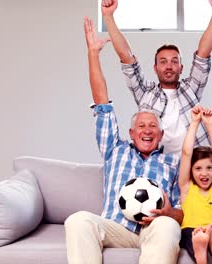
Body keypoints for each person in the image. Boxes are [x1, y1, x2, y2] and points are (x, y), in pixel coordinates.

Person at [65, 17, 183, 264]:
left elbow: (182, 213)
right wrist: (93, 54)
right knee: (78, 220)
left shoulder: (173, 162)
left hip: (153, 230)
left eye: (153, 126)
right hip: (115, 228)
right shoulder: (114, 150)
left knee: (168, 227)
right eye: (141, 126)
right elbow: (101, 102)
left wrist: (169, 212)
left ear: (161, 136)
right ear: (131, 133)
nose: (147, 130)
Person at [101, 0, 212, 155]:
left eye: (174, 61)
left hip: (193, 167)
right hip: (158, 166)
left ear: (181, 68)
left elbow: (203, 54)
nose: (168, 66)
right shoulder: (145, 93)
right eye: (163, 61)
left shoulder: (191, 89)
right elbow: (126, 58)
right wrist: (108, 17)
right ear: (155, 68)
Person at [178, 105, 212, 264]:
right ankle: (201, 252)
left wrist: (209, 125)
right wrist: (194, 123)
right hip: (192, 230)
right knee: (190, 235)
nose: (204, 173)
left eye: (209, 168)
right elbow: (186, 154)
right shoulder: (187, 187)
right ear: (191, 171)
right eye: (198, 168)